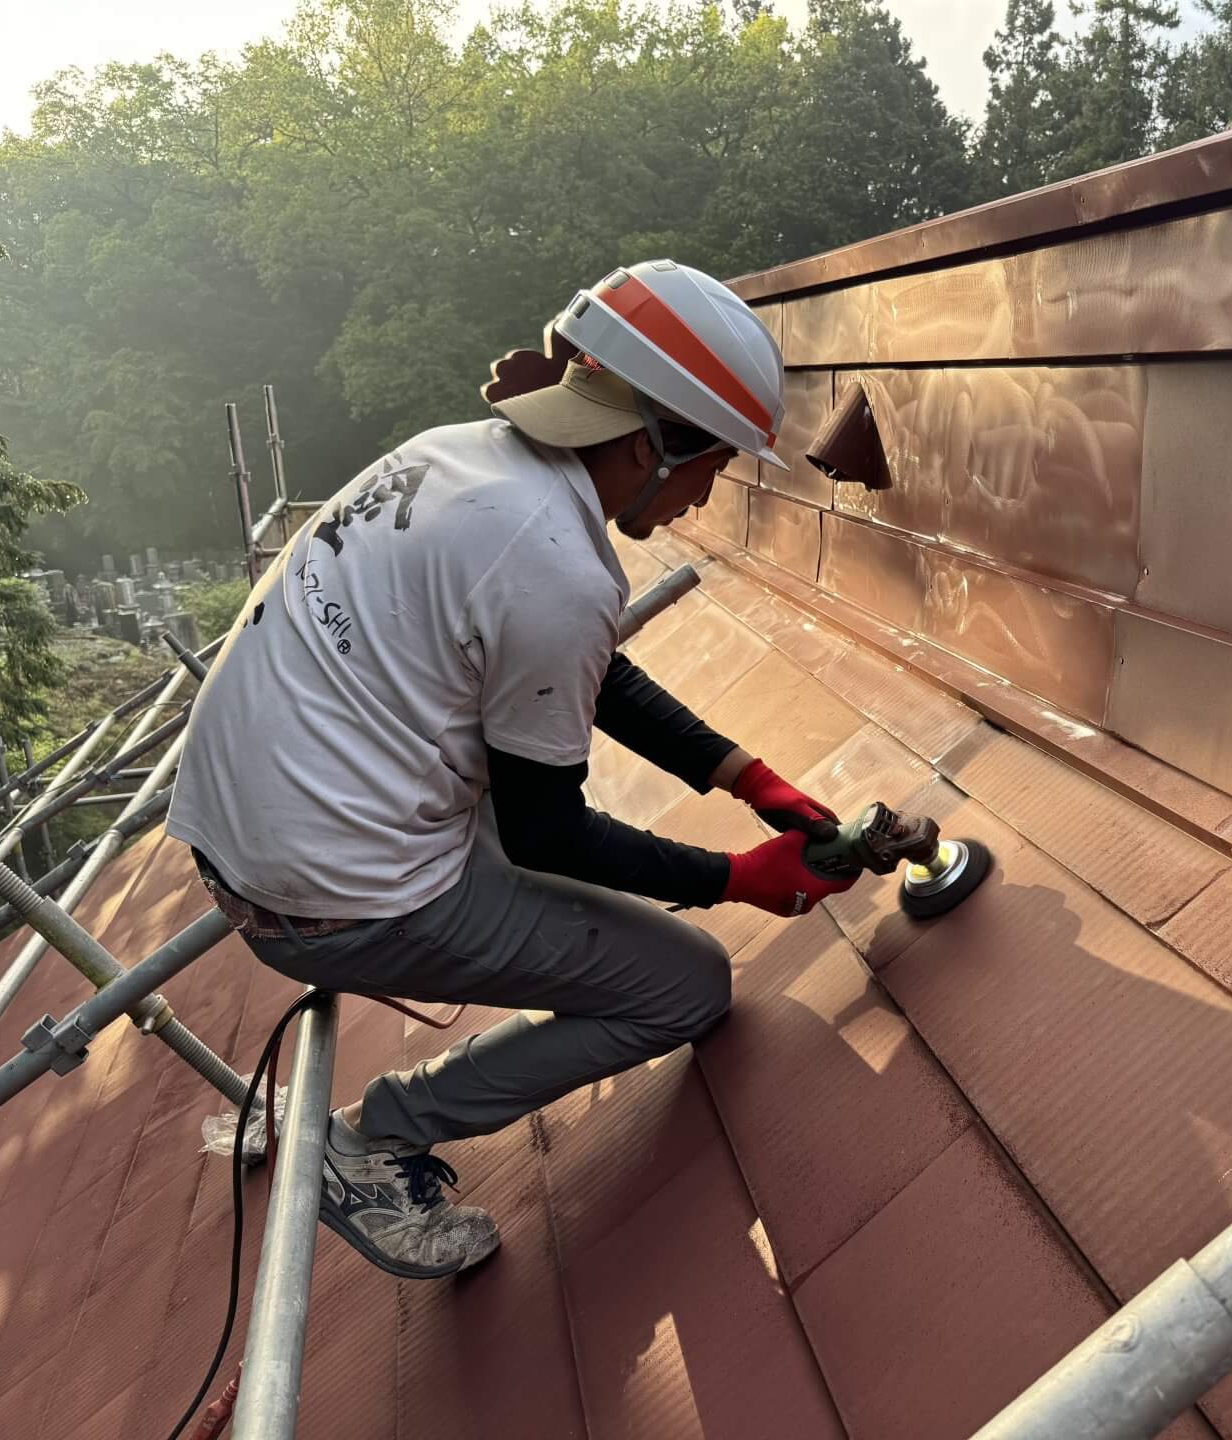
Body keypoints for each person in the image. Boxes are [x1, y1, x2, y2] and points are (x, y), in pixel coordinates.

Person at [167, 261, 858, 1279]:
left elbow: (584, 667)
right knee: (684, 984)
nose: (711, 493)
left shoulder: (466, 458)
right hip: (331, 899)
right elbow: (545, 831)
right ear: (651, 442)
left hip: (255, 833)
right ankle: (372, 1142)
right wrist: (733, 881)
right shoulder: (555, 563)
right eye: (716, 463)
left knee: (574, 860)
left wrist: (745, 775)